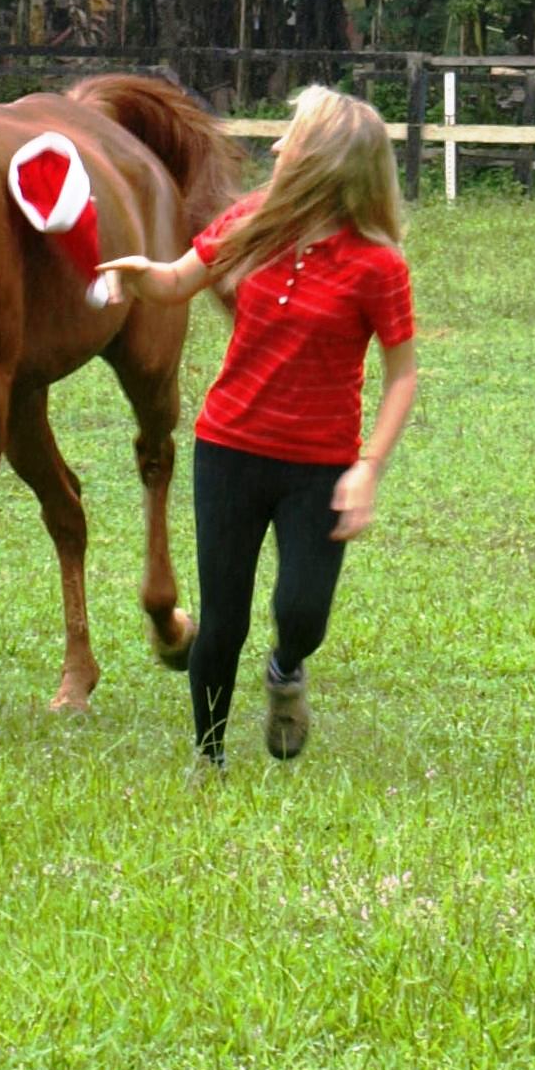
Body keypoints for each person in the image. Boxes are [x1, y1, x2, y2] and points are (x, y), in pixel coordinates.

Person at [98, 85, 417, 766]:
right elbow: (177, 279)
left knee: (301, 614)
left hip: (319, 464)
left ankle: (285, 671)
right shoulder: (250, 221)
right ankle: (207, 759)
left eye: (291, 135)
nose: (275, 146)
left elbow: (403, 376)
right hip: (228, 449)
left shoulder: (376, 264)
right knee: (222, 621)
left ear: (325, 159)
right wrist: (138, 275)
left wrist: (367, 469)